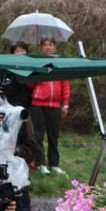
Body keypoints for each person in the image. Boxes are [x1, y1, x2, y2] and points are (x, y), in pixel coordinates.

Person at [29, 37, 69, 174]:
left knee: (53, 135)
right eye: (45, 45)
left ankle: (54, 164)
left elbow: (65, 85)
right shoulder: (37, 62)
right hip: (38, 104)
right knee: (38, 135)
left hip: (55, 105)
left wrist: (65, 104)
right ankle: (41, 163)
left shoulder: (60, 63)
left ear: (55, 47)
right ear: (41, 48)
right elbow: (29, 84)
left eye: (50, 44)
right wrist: (38, 75)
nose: (48, 47)